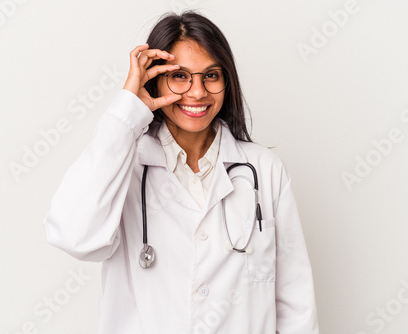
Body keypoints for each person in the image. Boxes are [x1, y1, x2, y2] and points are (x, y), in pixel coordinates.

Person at [43, 11, 319, 334]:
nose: (198, 92)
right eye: (180, 76)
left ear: (226, 81)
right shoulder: (124, 168)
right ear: (155, 80)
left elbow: (296, 305)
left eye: (211, 76)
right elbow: (73, 234)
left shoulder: (264, 171)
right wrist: (128, 107)